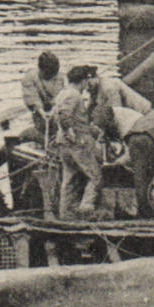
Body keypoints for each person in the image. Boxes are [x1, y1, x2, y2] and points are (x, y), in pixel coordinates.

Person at [53, 66, 106, 218]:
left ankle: (66, 215)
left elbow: (65, 115)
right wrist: (68, 130)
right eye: (86, 81)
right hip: (78, 144)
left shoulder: (62, 93)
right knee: (95, 177)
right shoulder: (74, 95)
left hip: (63, 144)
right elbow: (64, 114)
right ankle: (85, 211)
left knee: (69, 179)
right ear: (82, 81)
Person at [20, 50, 65, 141]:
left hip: (56, 111)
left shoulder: (61, 78)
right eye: (48, 75)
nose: (51, 77)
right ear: (40, 69)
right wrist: (41, 111)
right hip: (40, 113)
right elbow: (32, 98)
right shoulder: (30, 78)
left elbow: (61, 95)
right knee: (41, 130)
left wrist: (55, 109)